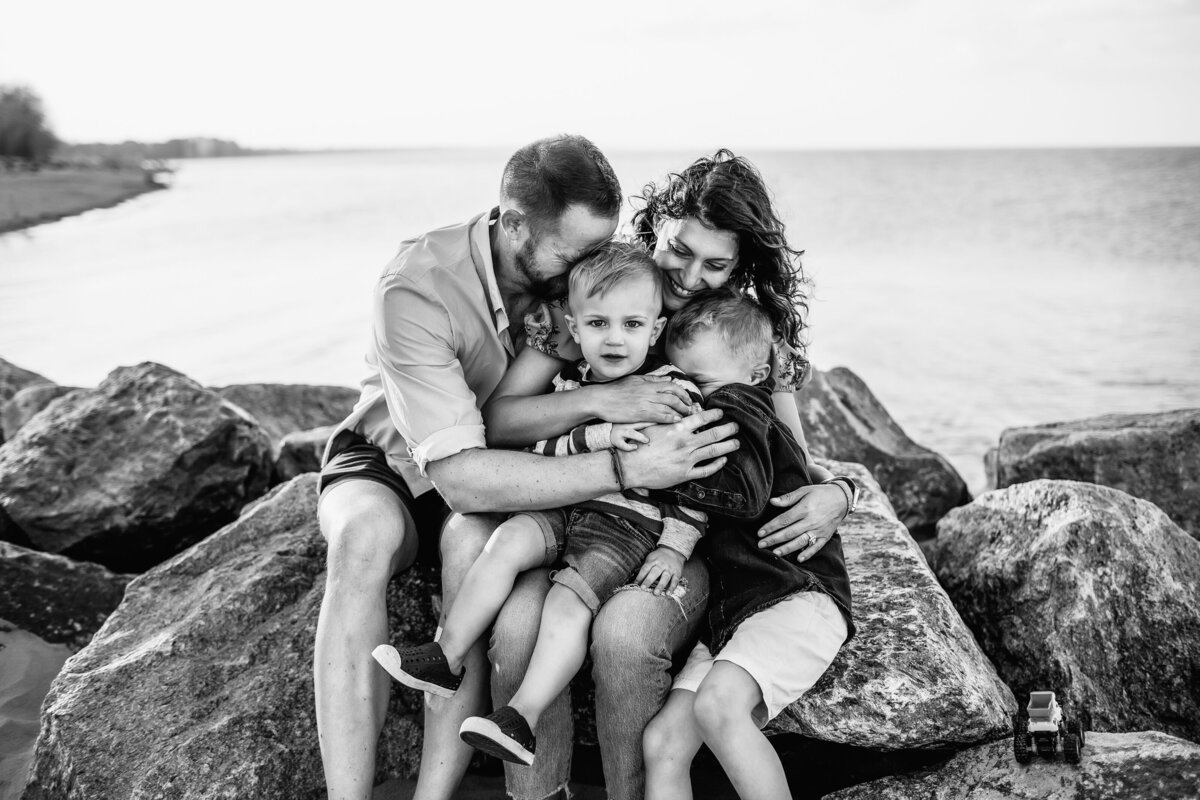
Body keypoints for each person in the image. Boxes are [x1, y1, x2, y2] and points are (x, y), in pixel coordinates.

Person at [314, 135, 742, 800]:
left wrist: (840, 486)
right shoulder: (419, 287)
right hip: (402, 460)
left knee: (473, 550)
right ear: (515, 224)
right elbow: (460, 474)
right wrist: (624, 453)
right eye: (576, 254)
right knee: (361, 539)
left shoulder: (601, 295)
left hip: (523, 474)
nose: (590, 265)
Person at [483, 150, 859, 800]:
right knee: (517, 627)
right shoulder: (603, 294)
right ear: (655, 224)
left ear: (740, 267)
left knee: (626, 636)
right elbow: (502, 421)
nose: (690, 276)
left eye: (717, 264)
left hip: (680, 536)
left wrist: (839, 493)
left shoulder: (736, 338)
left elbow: (789, 458)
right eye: (680, 250)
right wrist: (603, 401)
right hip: (573, 505)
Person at [371, 241, 707, 767]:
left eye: (632, 326)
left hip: (625, 527)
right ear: (574, 327)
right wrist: (593, 432)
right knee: (507, 540)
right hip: (563, 503)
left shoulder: (671, 391)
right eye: (598, 324)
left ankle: (521, 718)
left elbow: (700, 480)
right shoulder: (569, 381)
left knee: (566, 602)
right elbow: (535, 445)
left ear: (655, 331)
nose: (615, 339)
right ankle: (448, 653)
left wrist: (676, 547)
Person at [641, 290, 854, 800]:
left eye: (702, 383)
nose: (691, 397)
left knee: (718, 707)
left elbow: (746, 492)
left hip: (794, 595)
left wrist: (662, 479)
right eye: (682, 380)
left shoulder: (738, 405)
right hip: (741, 608)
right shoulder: (723, 399)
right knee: (663, 739)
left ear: (756, 377)